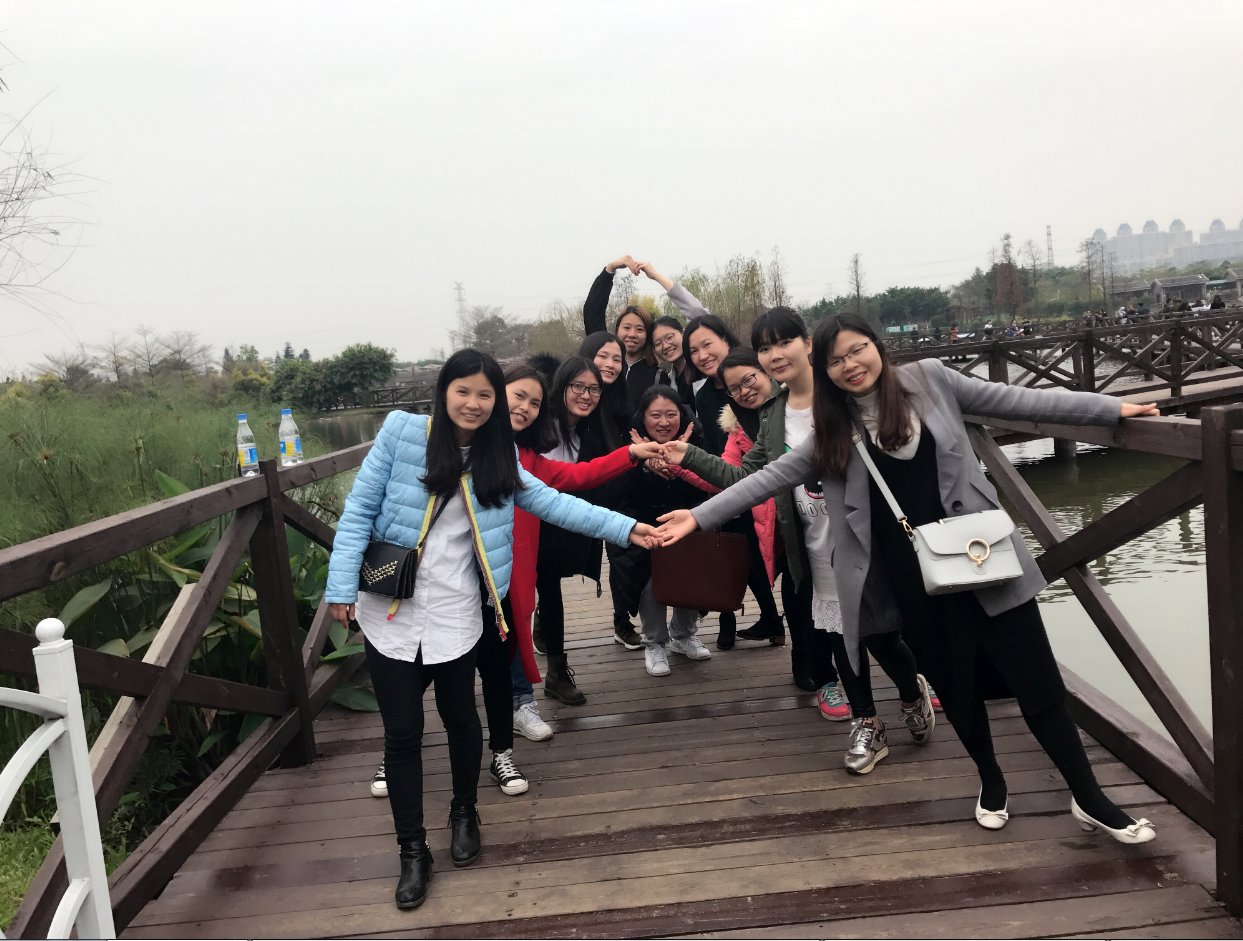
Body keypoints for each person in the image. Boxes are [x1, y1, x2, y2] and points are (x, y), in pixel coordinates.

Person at [655, 313, 1160, 843]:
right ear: (824, 371)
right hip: (914, 580)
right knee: (957, 687)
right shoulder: (834, 428)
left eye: (857, 350)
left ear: (877, 345)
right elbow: (766, 478)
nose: (850, 365)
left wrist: (1109, 409)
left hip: (984, 558)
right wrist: (698, 517)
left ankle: (1089, 796)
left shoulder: (932, 380)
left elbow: (1019, 402)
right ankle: (991, 780)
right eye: (835, 360)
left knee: (1037, 679)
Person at [325, 350, 659, 910]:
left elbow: (557, 504)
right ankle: (413, 850)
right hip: (391, 611)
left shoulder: (499, 456)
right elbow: (358, 510)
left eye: (484, 394)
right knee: (402, 733)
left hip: (459, 611)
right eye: (464, 391)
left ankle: (464, 812)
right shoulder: (402, 433)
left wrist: (629, 530)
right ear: (444, 391)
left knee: (461, 719)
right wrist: (339, 587)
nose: (474, 403)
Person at [662, 310, 934, 769]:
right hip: (812, 540)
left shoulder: (843, 394)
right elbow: (750, 478)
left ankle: (912, 694)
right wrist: (688, 454)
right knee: (840, 635)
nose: (774, 355)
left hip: (867, 539)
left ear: (808, 344)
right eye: (764, 348)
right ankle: (867, 722)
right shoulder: (773, 414)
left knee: (883, 636)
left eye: (783, 342)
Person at [501, 360, 664, 743]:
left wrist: (630, 453)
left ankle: (521, 703)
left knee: (512, 630)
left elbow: (577, 477)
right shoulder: (443, 443)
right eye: (518, 396)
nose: (525, 408)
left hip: (510, 563)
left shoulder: (525, 459)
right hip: (456, 570)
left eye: (534, 403)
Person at [536, 356, 637, 701]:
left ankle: (555, 670)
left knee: (550, 588)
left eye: (593, 389)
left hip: (562, 519)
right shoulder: (539, 424)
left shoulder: (592, 430)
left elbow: (597, 475)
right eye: (577, 386)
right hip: (524, 519)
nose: (586, 395)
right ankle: (524, 678)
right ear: (561, 387)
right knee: (533, 591)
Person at [612, 386, 716, 676]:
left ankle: (683, 635)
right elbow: (618, 490)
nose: (663, 422)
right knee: (649, 580)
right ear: (643, 416)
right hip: (642, 522)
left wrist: (683, 462)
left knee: (689, 573)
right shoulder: (629, 441)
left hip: (687, 519)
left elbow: (710, 482)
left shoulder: (696, 439)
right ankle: (654, 642)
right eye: (655, 415)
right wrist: (643, 466)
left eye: (671, 415)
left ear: (681, 416)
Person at [583, 256, 661, 405]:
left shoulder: (657, 376)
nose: (632, 334)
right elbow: (592, 312)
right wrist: (610, 269)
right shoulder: (604, 365)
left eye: (640, 329)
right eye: (626, 327)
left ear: (648, 335)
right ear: (617, 330)